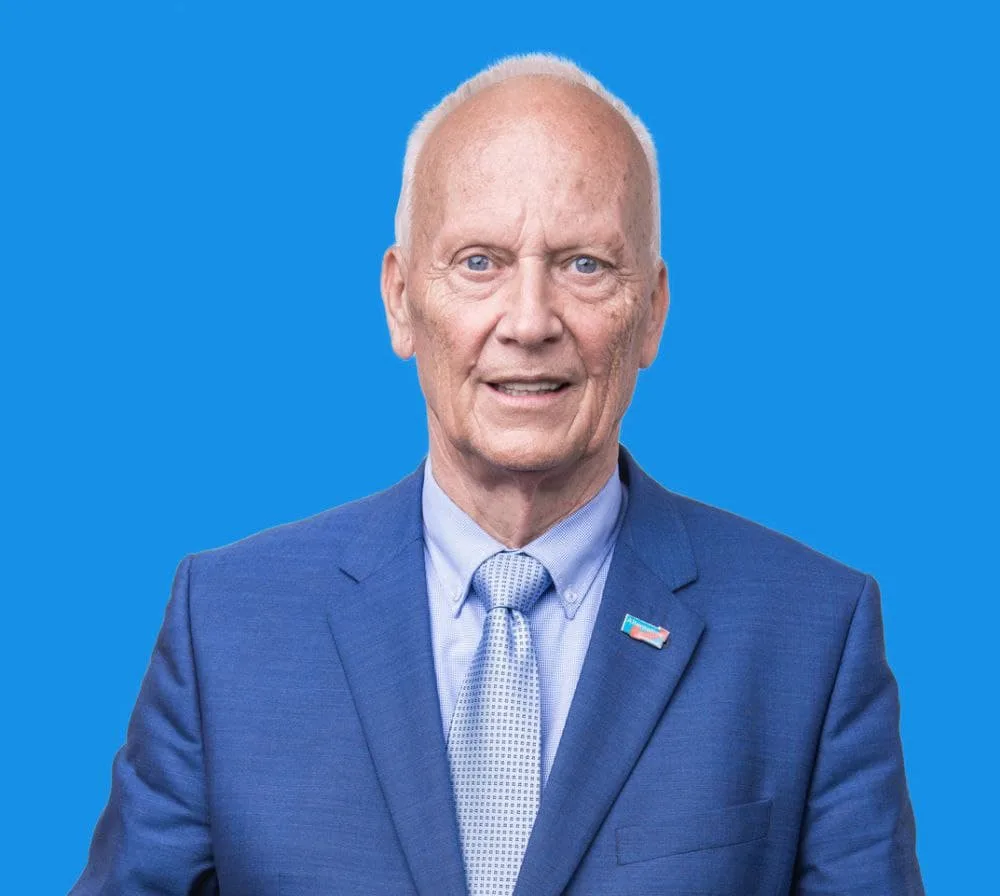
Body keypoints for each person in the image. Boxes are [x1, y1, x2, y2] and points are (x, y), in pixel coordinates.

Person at [72, 54, 924, 895]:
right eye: (479, 262)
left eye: (584, 265)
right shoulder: (226, 625)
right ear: (401, 300)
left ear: (652, 312)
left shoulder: (812, 637)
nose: (529, 321)